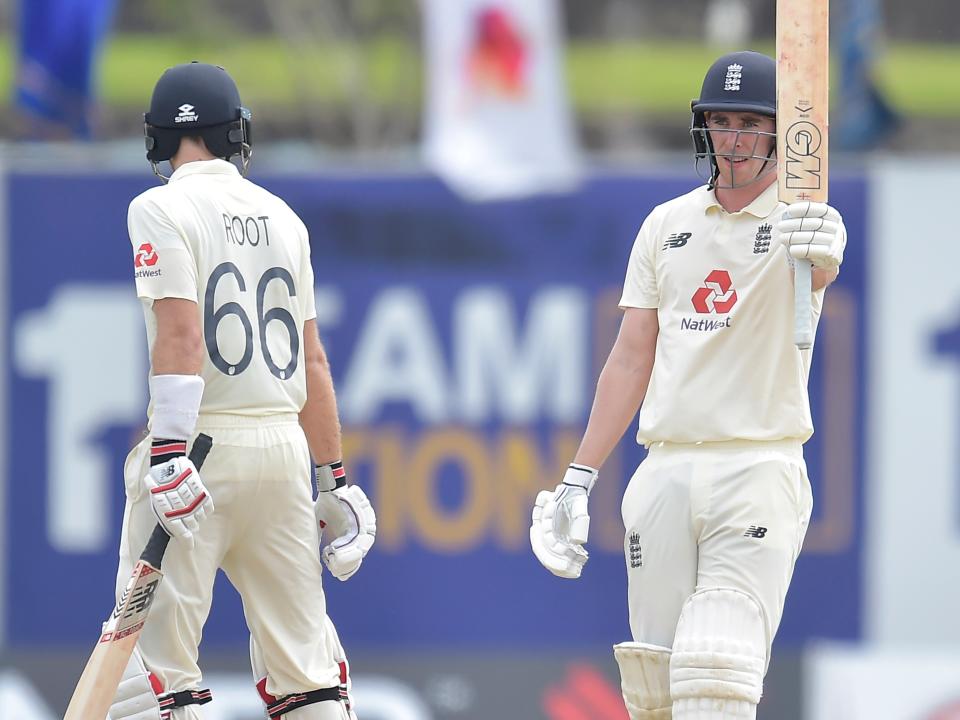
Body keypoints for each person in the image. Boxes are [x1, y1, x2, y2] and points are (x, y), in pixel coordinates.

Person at [530, 51, 846, 720]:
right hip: (665, 470)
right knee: (657, 692)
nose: (732, 139)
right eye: (721, 122)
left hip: (756, 465)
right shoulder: (666, 225)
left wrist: (824, 249)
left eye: (749, 124)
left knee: (717, 674)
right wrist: (578, 478)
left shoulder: (800, 222)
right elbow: (630, 356)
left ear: (777, 134)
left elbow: (818, 270)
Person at [107, 62, 376, 720]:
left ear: (158, 139)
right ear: (237, 134)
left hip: (198, 451)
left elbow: (181, 337)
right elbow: (312, 359)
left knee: (152, 677)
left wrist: (168, 449)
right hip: (284, 456)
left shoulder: (159, 208)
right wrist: (335, 479)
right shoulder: (283, 218)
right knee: (307, 672)